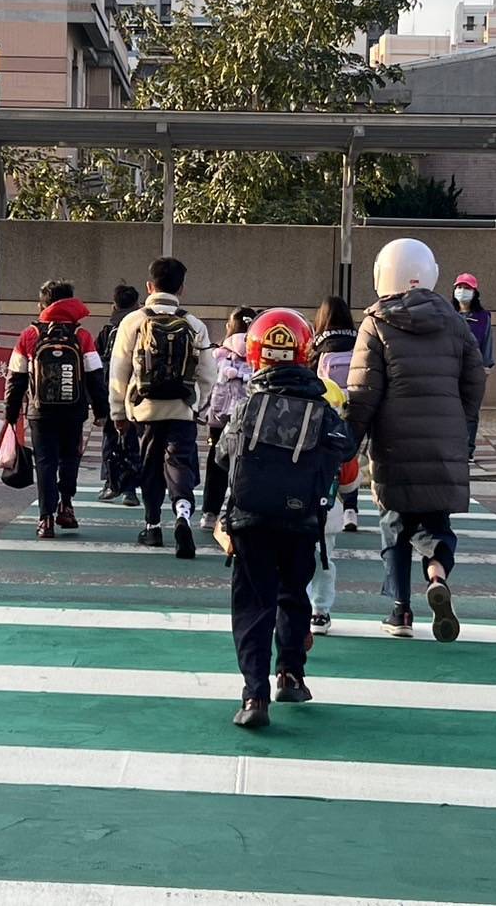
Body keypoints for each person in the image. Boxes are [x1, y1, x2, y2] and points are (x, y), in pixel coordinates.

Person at [214, 308, 354, 728]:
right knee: (294, 594)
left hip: (250, 519)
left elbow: (223, 455)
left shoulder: (248, 406)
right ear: (305, 352)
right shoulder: (322, 405)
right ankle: (290, 675)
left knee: (253, 605)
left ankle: (254, 697)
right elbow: (345, 452)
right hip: (300, 520)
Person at [345, 238, 485, 642]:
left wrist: (348, 442)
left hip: (394, 441)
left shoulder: (377, 322)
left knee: (394, 522)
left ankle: (400, 611)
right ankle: (437, 574)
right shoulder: (456, 322)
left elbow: (363, 392)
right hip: (444, 440)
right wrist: (463, 430)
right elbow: (475, 381)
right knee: (435, 519)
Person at [108, 256, 218, 559]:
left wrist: (119, 412)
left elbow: (119, 371)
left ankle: (152, 525)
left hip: (144, 408)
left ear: (149, 286)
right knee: (180, 463)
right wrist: (198, 404)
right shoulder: (193, 324)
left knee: (150, 466)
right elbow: (209, 373)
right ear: (181, 288)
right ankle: (182, 514)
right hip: (181, 409)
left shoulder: (133, 321)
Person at [3, 280, 110, 540]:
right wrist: (101, 410)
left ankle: (46, 518)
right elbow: (96, 376)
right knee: (70, 458)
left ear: (42, 304)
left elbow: (15, 378)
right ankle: (67, 505)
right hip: (74, 410)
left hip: (40, 411)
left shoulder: (29, 335)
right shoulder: (81, 336)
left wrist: (11, 412)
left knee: (45, 462)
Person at [306, 295, 362, 636]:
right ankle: (321, 612)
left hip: (293, 503)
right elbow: (351, 475)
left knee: (294, 559)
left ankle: (294, 607)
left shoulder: (317, 347)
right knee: (325, 561)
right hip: (329, 507)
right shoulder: (358, 341)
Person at [200, 305, 259, 531]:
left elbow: (207, 382)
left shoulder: (219, 354)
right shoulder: (258, 353)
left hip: (219, 418)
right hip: (249, 418)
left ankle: (209, 513)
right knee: (245, 464)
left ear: (229, 326)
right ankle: (236, 511)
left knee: (216, 462)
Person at [96, 284, 142, 507]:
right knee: (132, 440)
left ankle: (110, 483)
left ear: (113, 305)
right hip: (136, 393)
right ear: (137, 304)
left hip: (111, 391)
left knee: (110, 439)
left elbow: (96, 366)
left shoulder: (108, 330)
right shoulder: (141, 325)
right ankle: (130, 489)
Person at [452, 273, 495, 461]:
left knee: (470, 411)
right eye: (459, 287)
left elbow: (488, 342)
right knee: (450, 409)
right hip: (450, 369)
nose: (462, 292)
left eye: (467, 288)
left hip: (474, 369)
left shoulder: (483, 317)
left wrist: (486, 366)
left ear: (475, 292)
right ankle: (451, 446)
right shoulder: (447, 314)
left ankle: (467, 449)